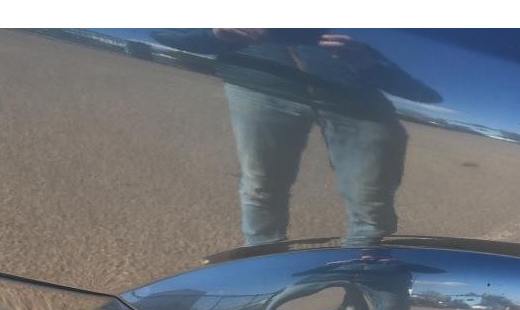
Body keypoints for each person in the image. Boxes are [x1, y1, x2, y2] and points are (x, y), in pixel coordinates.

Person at [153, 29, 441, 246]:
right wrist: (216, 33)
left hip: (360, 105)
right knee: (261, 187)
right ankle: (265, 269)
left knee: (372, 203)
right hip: (260, 87)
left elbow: (425, 93)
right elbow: (162, 32)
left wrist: (367, 64)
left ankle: (361, 276)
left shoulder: (357, 38)